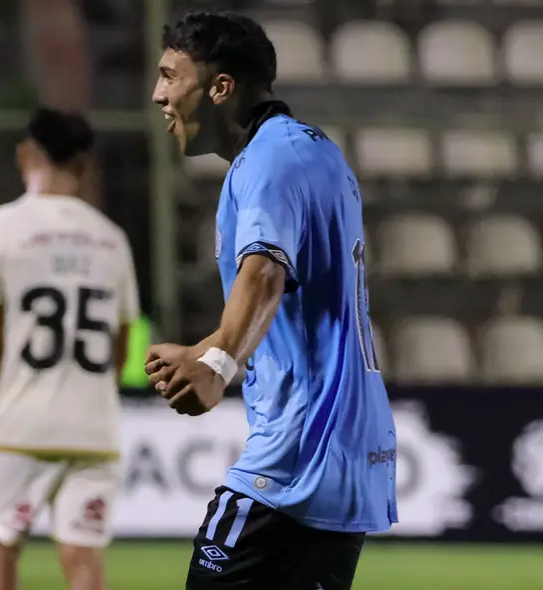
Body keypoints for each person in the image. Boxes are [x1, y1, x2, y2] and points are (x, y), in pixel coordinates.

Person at [147, 10, 398, 590]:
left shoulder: (269, 160)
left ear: (220, 88)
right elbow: (296, 298)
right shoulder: (307, 151)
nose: (159, 94)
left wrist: (217, 363)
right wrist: (207, 346)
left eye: (169, 76)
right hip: (348, 449)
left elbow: (263, 274)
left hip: (296, 453)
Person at [0, 107, 140, 590]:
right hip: (94, 429)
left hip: (20, 426)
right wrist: (98, 394)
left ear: (24, 154)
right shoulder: (112, 240)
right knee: (83, 559)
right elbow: (123, 341)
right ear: (84, 166)